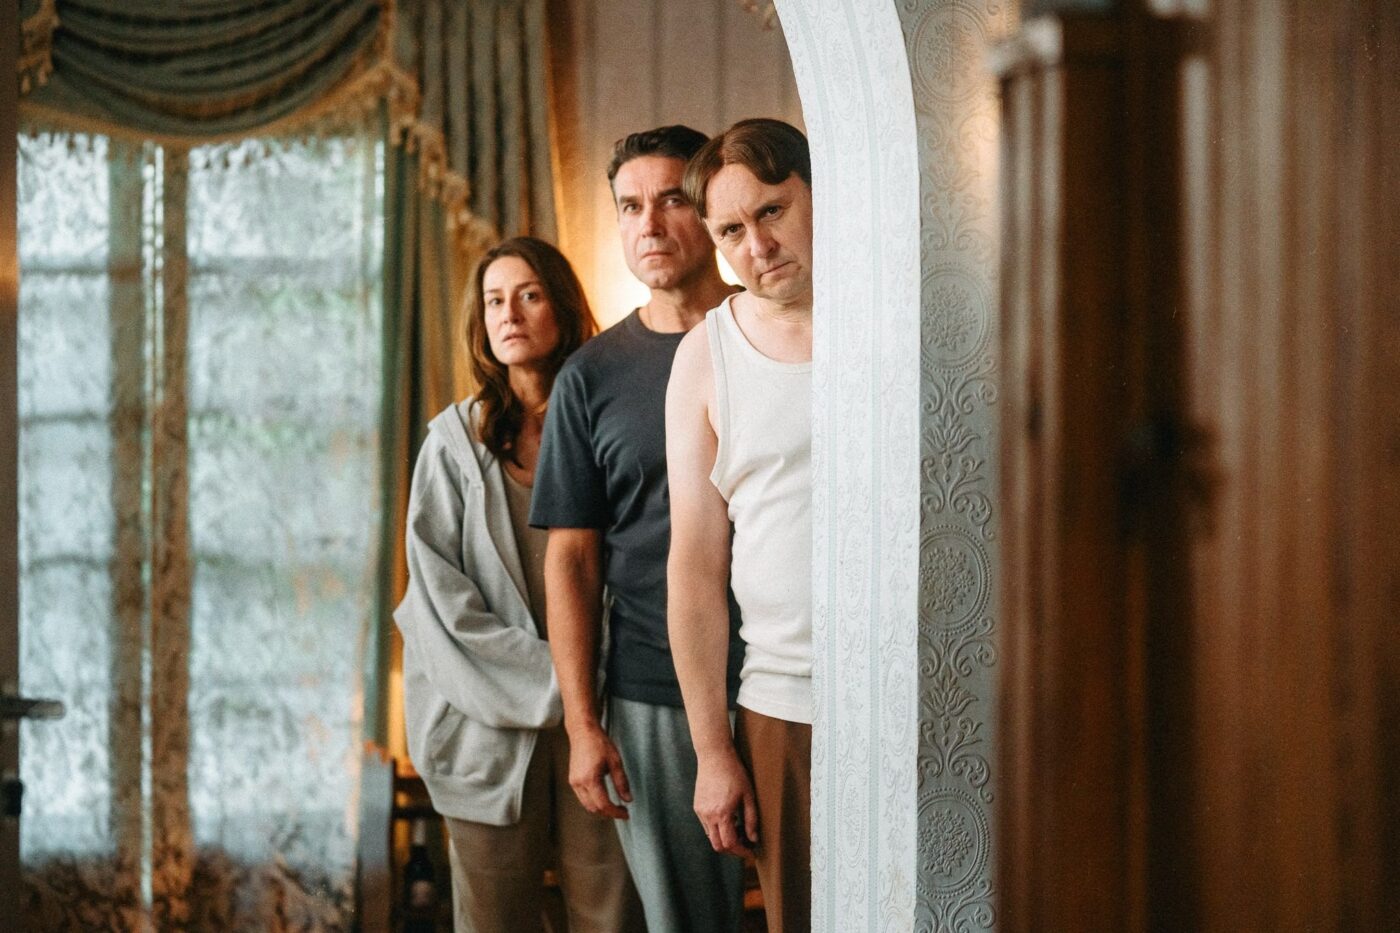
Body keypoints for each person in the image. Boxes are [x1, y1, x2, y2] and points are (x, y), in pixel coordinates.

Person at [529, 125, 747, 933]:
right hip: (653, 693)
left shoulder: (776, 331)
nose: (648, 224)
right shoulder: (590, 376)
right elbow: (571, 563)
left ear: (709, 209)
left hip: (792, 679)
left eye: (671, 200)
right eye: (629, 206)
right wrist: (583, 723)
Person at [394, 236, 644, 933]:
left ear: (562, 305)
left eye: (529, 295)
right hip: (485, 730)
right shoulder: (451, 447)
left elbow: (640, 569)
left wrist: (591, 699)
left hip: (605, 725)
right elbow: (442, 608)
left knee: (611, 918)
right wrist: (572, 680)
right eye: (495, 300)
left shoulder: (610, 429)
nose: (509, 313)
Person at [665, 118, 815, 933]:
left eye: (772, 211)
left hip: (923, 687)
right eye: (730, 229)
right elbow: (694, 570)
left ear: (815, 194)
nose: (757, 245)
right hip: (783, 704)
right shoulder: (705, 356)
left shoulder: (900, 316)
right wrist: (713, 751)